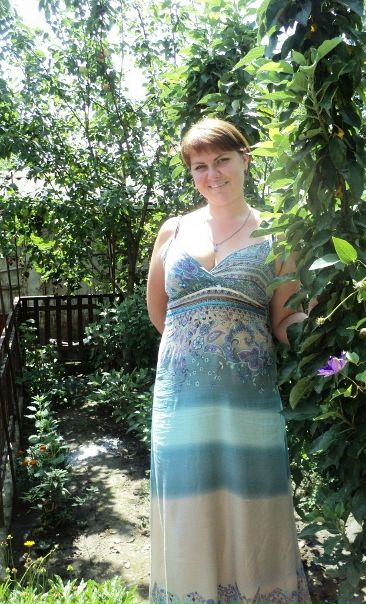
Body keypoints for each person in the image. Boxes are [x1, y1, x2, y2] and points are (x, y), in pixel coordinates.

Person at [146, 117, 311, 604]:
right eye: (200, 166)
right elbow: (160, 313)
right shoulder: (173, 230)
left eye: (222, 160)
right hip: (180, 401)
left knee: (252, 507)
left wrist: (319, 327)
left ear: (245, 160)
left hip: (247, 401)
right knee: (187, 507)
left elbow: (284, 319)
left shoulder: (276, 233)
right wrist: (199, 351)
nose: (212, 174)